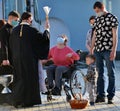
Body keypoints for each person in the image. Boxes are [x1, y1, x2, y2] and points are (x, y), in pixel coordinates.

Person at [9, 12, 50, 108]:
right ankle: (28, 101)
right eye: (31, 19)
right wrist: (47, 30)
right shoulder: (32, 30)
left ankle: (17, 100)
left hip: (16, 60)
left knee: (19, 78)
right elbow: (43, 40)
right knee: (29, 79)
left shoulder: (14, 31)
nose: (31, 21)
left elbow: (11, 46)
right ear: (28, 19)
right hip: (29, 59)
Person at [90, 1, 118, 104]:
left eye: (98, 11)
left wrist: (114, 50)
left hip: (108, 49)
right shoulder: (97, 20)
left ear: (102, 8)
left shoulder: (112, 18)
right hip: (98, 50)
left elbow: (115, 36)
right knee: (99, 73)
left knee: (111, 73)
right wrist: (91, 49)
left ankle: (110, 96)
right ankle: (100, 95)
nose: (97, 13)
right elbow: (94, 35)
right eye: (95, 11)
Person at [0, 11, 20, 105]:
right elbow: (4, 45)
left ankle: (12, 98)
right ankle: (4, 100)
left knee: (12, 78)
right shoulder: (4, 29)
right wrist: (5, 58)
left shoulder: (14, 29)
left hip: (14, 57)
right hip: (7, 58)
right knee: (5, 78)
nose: (17, 21)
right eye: (16, 20)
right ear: (10, 18)